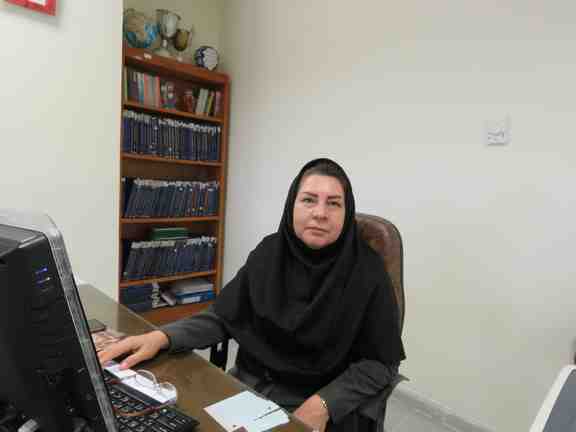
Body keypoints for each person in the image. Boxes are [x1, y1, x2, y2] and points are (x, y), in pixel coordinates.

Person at [99, 158, 406, 431]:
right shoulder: (269, 252)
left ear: (346, 212)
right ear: (292, 205)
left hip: (317, 399)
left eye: (334, 203)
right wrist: (161, 337)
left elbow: (381, 363)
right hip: (249, 387)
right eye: (309, 200)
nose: (320, 213)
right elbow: (224, 316)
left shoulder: (367, 272)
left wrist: (322, 404)